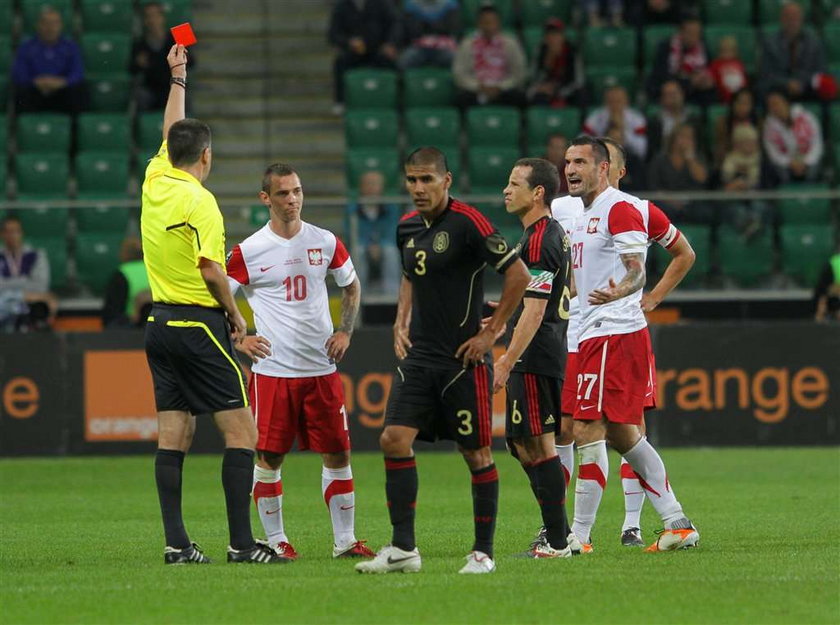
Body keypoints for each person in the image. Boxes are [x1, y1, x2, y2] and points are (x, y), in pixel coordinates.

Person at [141, 45, 286, 565]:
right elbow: (211, 268)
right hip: (197, 323)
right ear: (206, 157)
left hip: (158, 323)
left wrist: (178, 77)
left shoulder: (156, 179)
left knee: (174, 431)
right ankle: (242, 545)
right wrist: (236, 316)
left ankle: (177, 545)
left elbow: (170, 131)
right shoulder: (201, 201)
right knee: (242, 430)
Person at [355, 147, 530, 575]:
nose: (418, 188)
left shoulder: (469, 223)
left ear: (446, 181)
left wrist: (490, 333)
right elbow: (411, 274)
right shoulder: (406, 227)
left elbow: (519, 275)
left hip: (462, 363)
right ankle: (402, 549)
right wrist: (401, 317)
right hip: (419, 357)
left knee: (476, 455)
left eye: (426, 180)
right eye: (412, 180)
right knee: (393, 440)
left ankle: (483, 554)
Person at [549, 137, 696, 548]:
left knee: (586, 427)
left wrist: (630, 293)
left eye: (580, 162)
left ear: (605, 168)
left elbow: (637, 270)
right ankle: (677, 522)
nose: (571, 169)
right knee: (622, 433)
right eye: (567, 163)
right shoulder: (580, 213)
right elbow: (578, 282)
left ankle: (574, 537)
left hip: (613, 330)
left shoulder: (621, 208)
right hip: (592, 331)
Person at [226, 163, 373, 561]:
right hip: (273, 372)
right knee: (270, 457)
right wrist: (239, 338)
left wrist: (345, 331)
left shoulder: (324, 241)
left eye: (297, 191)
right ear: (265, 199)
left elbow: (352, 285)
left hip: (321, 370)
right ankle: (277, 541)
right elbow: (218, 299)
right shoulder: (249, 250)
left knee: (338, 453)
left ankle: (345, 541)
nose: (292, 200)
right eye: (283, 193)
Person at [496, 158, 574, 558]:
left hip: (535, 355)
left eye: (514, 184)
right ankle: (560, 530)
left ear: (538, 192)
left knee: (538, 445)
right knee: (520, 443)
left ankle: (558, 539)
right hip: (542, 351)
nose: (506, 191)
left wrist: (508, 358)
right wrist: (508, 307)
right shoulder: (547, 235)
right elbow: (565, 287)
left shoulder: (540, 239)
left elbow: (538, 307)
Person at [328, 0, 399, 113]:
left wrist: (390, 43)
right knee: (340, 63)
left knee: (394, 66)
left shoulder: (382, 3)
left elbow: (394, 25)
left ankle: (398, 103)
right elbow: (333, 34)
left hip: (378, 51)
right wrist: (348, 42)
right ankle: (340, 101)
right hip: (354, 52)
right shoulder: (341, 6)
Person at [12, 7, 85, 114]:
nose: (50, 27)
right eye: (46, 23)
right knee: (21, 91)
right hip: (35, 90)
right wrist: (36, 82)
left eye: (54, 23)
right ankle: (24, 127)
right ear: (38, 25)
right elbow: (19, 72)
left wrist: (62, 82)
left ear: (61, 26)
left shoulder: (71, 47)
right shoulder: (26, 47)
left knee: (78, 90)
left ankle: (74, 129)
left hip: (62, 91)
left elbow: (77, 72)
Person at [452, 5, 527, 108]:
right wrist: (478, 86)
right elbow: (459, 74)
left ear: (498, 23)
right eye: (485, 23)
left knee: (520, 98)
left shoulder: (510, 44)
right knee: (461, 99)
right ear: (479, 24)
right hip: (476, 89)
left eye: (492, 22)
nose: (489, 27)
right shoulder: (467, 44)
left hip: (503, 89)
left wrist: (500, 87)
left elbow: (519, 73)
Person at [130, 2, 197, 111]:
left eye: (156, 16)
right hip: (152, 88)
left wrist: (182, 57)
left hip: (174, 84)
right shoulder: (140, 44)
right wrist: (139, 64)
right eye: (149, 16)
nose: (152, 20)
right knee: (141, 96)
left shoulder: (178, 37)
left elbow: (192, 62)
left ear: (163, 17)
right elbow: (132, 69)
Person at [758, 1, 827, 101]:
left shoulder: (814, 44)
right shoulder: (769, 44)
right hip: (779, 92)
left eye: (795, 17)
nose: (792, 21)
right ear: (781, 19)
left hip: (807, 91)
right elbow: (765, 74)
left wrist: (801, 83)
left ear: (802, 19)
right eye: (788, 17)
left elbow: (821, 73)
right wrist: (787, 84)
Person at [346, 171, 401, 294]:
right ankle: (358, 294)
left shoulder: (391, 208)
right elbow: (351, 234)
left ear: (382, 187)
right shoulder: (353, 209)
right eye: (367, 184)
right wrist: (369, 246)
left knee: (390, 251)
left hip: (384, 246)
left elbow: (392, 233)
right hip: (363, 247)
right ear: (361, 187)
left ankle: (392, 295)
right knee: (357, 251)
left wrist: (380, 245)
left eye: (375, 184)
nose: (371, 188)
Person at [0, 215, 56, 332]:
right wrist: (23, 291)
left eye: (16, 231)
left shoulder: (36, 256)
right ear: (2, 234)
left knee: (40, 306)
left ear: (22, 233)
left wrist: (9, 287)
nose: (12, 235)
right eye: (8, 232)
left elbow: (40, 286)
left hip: (29, 304)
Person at [647, 123, 711, 223]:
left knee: (704, 212)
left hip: (692, 202)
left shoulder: (697, 158)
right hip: (666, 201)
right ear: (673, 139)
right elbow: (654, 187)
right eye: (682, 136)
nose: (686, 141)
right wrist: (670, 200)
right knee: (662, 211)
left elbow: (702, 179)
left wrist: (690, 159)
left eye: (690, 138)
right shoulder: (660, 160)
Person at [647, 13, 716, 105]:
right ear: (681, 32)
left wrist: (705, 80)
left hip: (696, 92)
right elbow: (661, 76)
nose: (695, 38)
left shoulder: (703, 48)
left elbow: (708, 69)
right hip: (672, 87)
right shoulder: (666, 47)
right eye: (691, 33)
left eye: (698, 33)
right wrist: (689, 82)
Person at [762, 89, 823, 184]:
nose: (773, 108)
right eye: (770, 105)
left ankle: (810, 195)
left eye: (776, 103)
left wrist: (806, 161)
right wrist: (789, 162)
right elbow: (772, 152)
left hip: (807, 160)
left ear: (786, 102)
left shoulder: (807, 117)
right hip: (786, 163)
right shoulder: (769, 125)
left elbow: (817, 144)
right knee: (778, 170)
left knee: (814, 169)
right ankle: (786, 195)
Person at [721, 124, 769, 238]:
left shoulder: (763, 162)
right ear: (738, 144)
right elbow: (720, 188)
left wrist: (749, 185)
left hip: (755, 200)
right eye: (748, 142)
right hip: (734, 201)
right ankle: (751, 229)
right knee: (738, 211)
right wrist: (732, 187)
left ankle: (752, 229)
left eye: (754, 142)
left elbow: (767, 186)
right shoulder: (728, 162)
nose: (753, 145)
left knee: (760, 207)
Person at [582, 86, 647, 160]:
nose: (615, 105)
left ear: (626, 101)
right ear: (605, 102)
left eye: (618, 101)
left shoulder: (636, 118)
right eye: (611, 101)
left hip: (628, 157)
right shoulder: (595, 118)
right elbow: (582, 143)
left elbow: (642, 150)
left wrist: (623, 132)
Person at [527, 18, 581, 107]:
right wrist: (548, 62)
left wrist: (559, 91)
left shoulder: (571, 51)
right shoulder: (540, 51)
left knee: (580, 96)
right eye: (549, 34)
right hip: (545, 90)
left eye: (556, 34)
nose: (552, 38)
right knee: (537, 98)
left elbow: (578, 80)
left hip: (567, 90)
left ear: (563, 36)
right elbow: (533, 77)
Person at [102, 237, 152, 328]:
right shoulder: (154, 270)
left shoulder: (121, 274)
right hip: (155, 325)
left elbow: (111, 312)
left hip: (131, 328)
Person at [646, 79, 703, 160]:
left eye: (675, 93)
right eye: (669, 95)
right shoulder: (655, 121)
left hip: (689, 158)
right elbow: (652, 150)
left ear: (682, 95)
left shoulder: (693, 119)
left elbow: (699, 147)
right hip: (663, 161)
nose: (673, 98)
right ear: (662, 99)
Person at [398, 0, 460, 70]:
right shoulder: (411, 4)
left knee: (458, 61)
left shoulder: (449, 4)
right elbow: (412, 30)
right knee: (403, 62)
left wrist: (426, 26)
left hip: (443, 46)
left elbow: (451, 27)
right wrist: (436, 27)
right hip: (419, 46)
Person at [713, 88, 759, 167]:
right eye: (739, 102)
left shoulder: (758, 123)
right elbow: (719, 148)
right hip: (730, 162)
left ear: (752, 106)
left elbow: (760, 149)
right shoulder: (723, 123)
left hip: (753, 163)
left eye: (746, 103)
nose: (742, 107)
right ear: (733, 104)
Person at [708, 36, 748, 104]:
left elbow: (744, 81)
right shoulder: (715, 64)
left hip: (740, 95)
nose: (726, 52)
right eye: (724, 50)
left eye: (730, 50)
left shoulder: (738, 63)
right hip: (724, 97)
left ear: (735, 51)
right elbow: (713, 81)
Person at [814, 248, 840, 322]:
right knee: (823, 297)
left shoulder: (834, 261)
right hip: (831, 279)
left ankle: (820, 315)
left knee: (823, 297)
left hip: (831, 280)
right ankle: (820, 316)